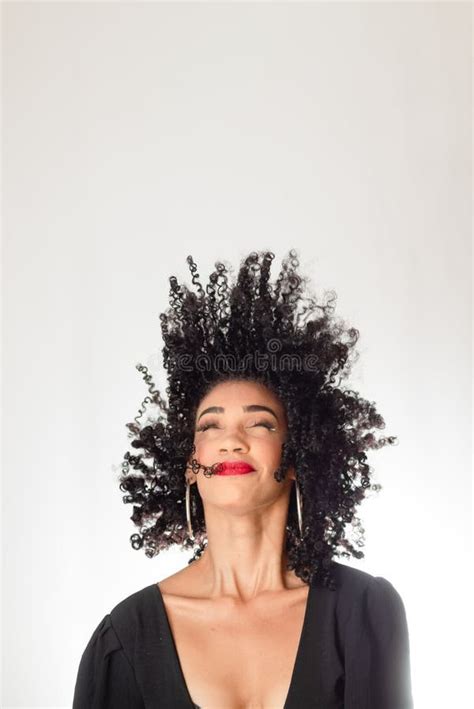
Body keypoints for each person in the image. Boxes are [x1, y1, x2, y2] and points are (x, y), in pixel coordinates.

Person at [72, 249, 414, 708]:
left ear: (296, 457)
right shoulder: (126, 638)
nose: (232, 439)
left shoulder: (360, 612)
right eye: (210, 426)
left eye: (260, 424)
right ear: (190, 464)